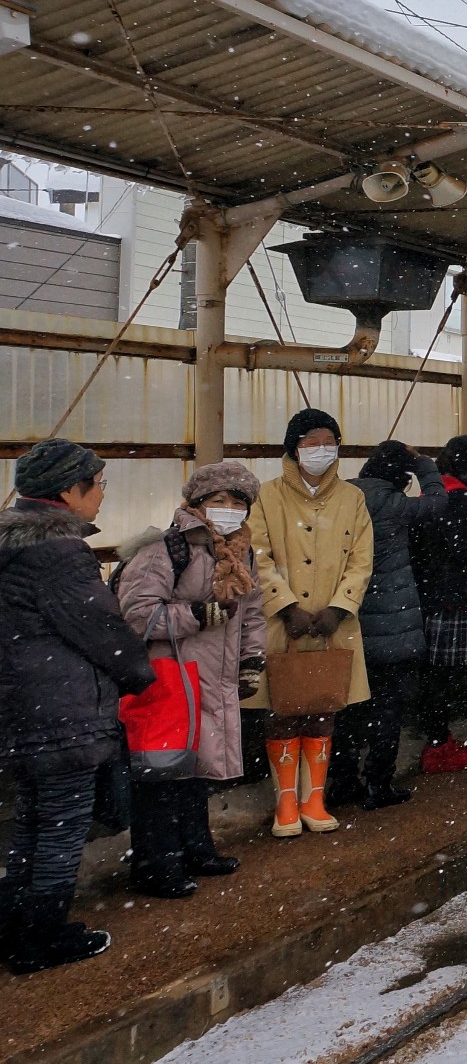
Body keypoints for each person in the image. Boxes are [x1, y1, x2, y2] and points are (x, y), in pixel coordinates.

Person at [0, 439, 155, 972]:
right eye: (99, 484)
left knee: (33, 820)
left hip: (20, 708)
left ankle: (13, 925)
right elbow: (102, 630)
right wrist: (138, 673)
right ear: (69, 490)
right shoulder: (60, 554)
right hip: (64, 711)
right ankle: (42, 937)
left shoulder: (11, 546)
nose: (103, 495)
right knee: (63, 826)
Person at [114, 461, 267, 898]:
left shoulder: (241, 553)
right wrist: (195, 616)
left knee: (197, 769)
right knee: (164, 773)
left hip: (212, 677)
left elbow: (251, 610)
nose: (229, 509)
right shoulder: (164, 550)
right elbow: (137, 614)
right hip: (169, 679)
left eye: (239, 502)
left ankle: (196, 849)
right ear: (196, 503)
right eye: (219, 500)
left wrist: (252, 659)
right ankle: (154, 866)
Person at [247, 408, 372, 838]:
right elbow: (255, 555)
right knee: (283, 709)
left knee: (323, 706)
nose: (322, 451)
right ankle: (285, 801)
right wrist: (285, 605)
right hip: (283, 625)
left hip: (334, 624)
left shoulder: (352, 498)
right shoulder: (266, 496)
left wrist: (339, 607)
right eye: (311, 443)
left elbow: (361, 559)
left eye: (329, 442)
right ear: (292, 448)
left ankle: (313, 798)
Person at [331, 440, 444, 808]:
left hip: (348, 617)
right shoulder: (393, 503)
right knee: (386, 706)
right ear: (400, 475)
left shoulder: (343, 497)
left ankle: (342, 781)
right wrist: (424, 464)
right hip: (392, 622)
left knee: (347, 706)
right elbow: (438, 502)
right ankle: (379, 783)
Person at [413, 436, 467, 772]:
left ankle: (438, 739)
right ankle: (437, 746)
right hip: (453, 599)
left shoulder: (435, 491)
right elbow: (465, 548)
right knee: (443, 678)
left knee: (436, 677)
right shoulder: (459, 498)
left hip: (432, 595)